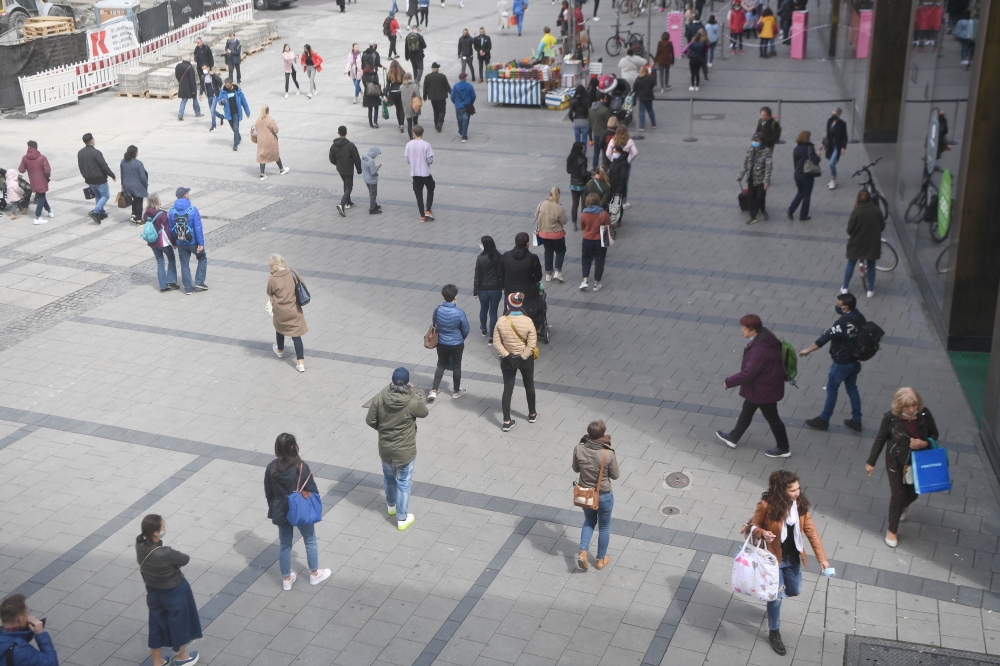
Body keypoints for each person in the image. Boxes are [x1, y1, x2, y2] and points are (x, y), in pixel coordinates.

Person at [746, 471, 829, 656]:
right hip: (773, 559)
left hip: (792, 559)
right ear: (781, 490)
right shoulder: (766, 505)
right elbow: (751, 528)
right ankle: (774, 632)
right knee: (776, 598)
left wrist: (822, 559)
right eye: (792, 490)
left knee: (794, 590)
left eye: (798, 488)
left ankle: (774, 597)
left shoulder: (799, 506)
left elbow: (811, 531)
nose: (797, 493)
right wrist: (762, 533)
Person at [866, 388, 938, 548]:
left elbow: (934, 434)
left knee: (914, 493)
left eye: (914, 405)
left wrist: (924, 443)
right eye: (907, 407)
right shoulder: (890, 418)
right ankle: (892, 530)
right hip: (896, 462)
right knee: (897, 495)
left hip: (917, 462)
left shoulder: (924, 414)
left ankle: (904, 506)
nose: (912, 410)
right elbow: (880, 439)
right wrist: (871, 461)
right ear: (900, 406)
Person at [715, 314, 790, 457]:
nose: (742, 331)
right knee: (747, 410)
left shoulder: (759, 350)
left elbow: (748, 373)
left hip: (764, 389)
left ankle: (784, 448)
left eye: (744, 328)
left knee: (772, 417)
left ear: (752, 330)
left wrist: (728, 382)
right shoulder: (765, 335)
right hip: (762, 386)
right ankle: (733, 437)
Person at [264, 434, 332, 586]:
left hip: (281, 509)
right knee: (310, 539)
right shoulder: (301, 467)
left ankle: (286, 579)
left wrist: (274, 508)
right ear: (293, 447)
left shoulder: (271, 468)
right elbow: (312, 489)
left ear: (277, 448)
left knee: (285, 544)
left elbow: (269, 492)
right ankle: (314, 574)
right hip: (300, 509)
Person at [135, 514, 202, 666]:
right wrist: (173, 565)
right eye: (163, 526)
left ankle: (157, 661)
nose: (165, 527)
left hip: (153, 591)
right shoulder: (166, 552)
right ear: (156, 532)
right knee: (178, 621)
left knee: (156, 623)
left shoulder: (139, 546)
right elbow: (185, 559)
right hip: (173, 591)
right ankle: (182, 657)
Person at [366, 367, 428, 531]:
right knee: (403, 483)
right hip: (405, 451)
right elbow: (424, 412)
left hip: (385, 448)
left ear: (392, 382)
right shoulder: (412, 401)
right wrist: (412, 394)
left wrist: (383, 430)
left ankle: (391, 506)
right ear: (408, 383)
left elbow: (370, 420)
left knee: (388, 478)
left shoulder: (380, 397)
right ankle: (402, 518)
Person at [798, 292, 866, 431]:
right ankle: (856, 420)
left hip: (841, 363)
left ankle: (824, 419)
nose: (837, 307)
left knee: (831, 389)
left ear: (846, 308)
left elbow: (823, 340)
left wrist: (808, 350)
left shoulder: (841, 323)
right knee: (852, 388)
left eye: (839, 305)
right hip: (854, 361)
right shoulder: (859, 317)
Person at [573, 419, 620, 571]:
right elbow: (615, 475)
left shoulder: (579, 448)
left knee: (589, 521)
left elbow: (575, 468)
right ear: (602, 434)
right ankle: (600, 560)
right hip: (604, 494)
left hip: (586, 494)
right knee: (604, 526)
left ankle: (583, 552)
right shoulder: (608, 453)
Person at [494, 292, 537, 431]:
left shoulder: (501, 321)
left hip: (508, 360)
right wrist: (522, 357)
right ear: (520, 304)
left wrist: (507, 356)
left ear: (508, 304)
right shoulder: (528, 321)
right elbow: (532, 344)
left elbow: (496, 342)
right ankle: (532, 414)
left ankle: (506, 421)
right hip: (525, 360)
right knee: (529, 385)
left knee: (508, 388)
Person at [428, 284, 470, 401]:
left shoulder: (437, 309)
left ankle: (434, 390)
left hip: (441, 342)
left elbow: (434, 321)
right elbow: (466, 329)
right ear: (455, 296)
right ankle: (456, 390)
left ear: (443, 296)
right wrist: (460, 338)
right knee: (457, 366)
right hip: (456, 343)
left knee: (441, 364)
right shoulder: (459, 312)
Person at [266, 255, 308, 372]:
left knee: (280, 329)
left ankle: (280, 350)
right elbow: (302, 284)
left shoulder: (272, 279)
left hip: (280, 311)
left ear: (273, 266)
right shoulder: (294, 273)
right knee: (296, 336)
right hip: (294, 310)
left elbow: (269, 292)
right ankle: (300, 363)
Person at [842, 189, 885, 297]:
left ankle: (845, 287)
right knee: (871, 264)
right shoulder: (876, 210)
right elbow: (882, 226)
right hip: (872, 243)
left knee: (851, 263)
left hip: (857, 244)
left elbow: (849, 230)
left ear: (858, 199)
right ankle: (870, 290)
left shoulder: (856, 212)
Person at [0, 594, 58, 666]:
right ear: (20, 618)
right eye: (27, 612)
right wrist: (41, 634)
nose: (29, 616)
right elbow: (52, 663)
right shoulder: (21, 650)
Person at [169, 187, 207, 295]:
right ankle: (199, 281)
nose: (189, 195)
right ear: (185, 195)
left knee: (184, 264)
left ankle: (188, 288)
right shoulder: (193, 209)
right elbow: (198, 228)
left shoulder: (171, 211)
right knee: (202, 258)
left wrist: (174, 242)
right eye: (188, 193)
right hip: (193, 242)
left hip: (181, 242)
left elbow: (171, 228)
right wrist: (200, 244)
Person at [77, 133, 116, 224]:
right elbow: (103, 165)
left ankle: (101, 212)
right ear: (92, 140)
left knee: (98, 195)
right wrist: (112, 175)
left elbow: (80, 166)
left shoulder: (80, 152)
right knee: (105, 195)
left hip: (89, 179)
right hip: (99, 179)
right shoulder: (96, 152)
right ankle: (95, 211)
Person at [144, 193, 179, 293]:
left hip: (152, 241)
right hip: (162, 242)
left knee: (160, 262)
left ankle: (163, 286)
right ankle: (171, 281)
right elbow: (167, 231)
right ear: (157, 201)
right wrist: (173, 243)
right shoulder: (162, 214)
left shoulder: (146, 213)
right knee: (171, 259)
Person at [499, 232, 543, 309]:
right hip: (526, 292)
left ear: (515, 242)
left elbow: (500, 273)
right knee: (524, 314)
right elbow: (538, 276)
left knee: (508, 312)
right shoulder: (532, 258)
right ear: (528, 244)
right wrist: (530, 282)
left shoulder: (506, 255)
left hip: (509, 291)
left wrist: (503, 285)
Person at [736, 132, 772, 224]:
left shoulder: (766, 152)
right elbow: (745, 164)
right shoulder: (750, 150)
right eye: (753, 140)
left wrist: (766, 181)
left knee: (760, 197)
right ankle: (753, 216)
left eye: (757, 140)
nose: (754, 142)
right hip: (751, 179)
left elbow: (768, 167)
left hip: (761, 180)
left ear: (761, 141)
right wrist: (740, 176)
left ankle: (762, 209)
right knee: (751, 198)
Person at [474, 236, 504, 343]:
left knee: (483, 309)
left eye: (481, 243)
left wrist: (475, 291)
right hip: (496, 289)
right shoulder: (499, 257)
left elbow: (477, 277)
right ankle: (492, 337)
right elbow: (502, 273)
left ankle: (483, 329)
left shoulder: (480, 258)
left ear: (485, 245)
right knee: (493, 312)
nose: (480, 244)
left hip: (483, 289)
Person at [536, 187, 569, 282]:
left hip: (543, 234)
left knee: (548, 252)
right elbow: (564, 221)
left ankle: (548, 274)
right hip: (556, 234)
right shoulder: (558, 207)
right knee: (560, 251)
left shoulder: (541, 204)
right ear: (558, 195)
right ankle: (557, 272)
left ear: (549, 194)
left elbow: (536, 215)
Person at [578, 193, 610, 291]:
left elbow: (582, 226)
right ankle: (596, 284)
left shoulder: (584, 214)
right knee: (599, 261)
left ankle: (585, 281)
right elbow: (609, 225)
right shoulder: (603, 214)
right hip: (600, 240)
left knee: (586, 259)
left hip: (587, 239)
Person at [329, 125, 362, 216]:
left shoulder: (333, 145)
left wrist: (337, 164)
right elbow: (357, 158)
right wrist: (359, 170)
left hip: (340, 168)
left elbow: (331, 158)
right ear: (346, 133)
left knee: (345, 183)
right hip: (348, 169)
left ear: (338, 133)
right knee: (349, 187)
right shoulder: (350, 145)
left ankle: (348, 202)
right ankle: (342, 204)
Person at [405, 125, 435, 221]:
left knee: (418, 194)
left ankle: (422, 216)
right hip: (425, 172)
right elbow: (430, 160)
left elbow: (408, 160)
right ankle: (428, 210)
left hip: (415, 173)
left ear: (414, 133)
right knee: (431, 188)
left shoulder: (409, 144)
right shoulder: (426, 145)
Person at [19, 140, 53, 225]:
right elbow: (47, 170)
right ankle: (37, 217)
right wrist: (47, 177)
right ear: (36, 147)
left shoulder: (25, 158)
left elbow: (21, 170)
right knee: (41, 197)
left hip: (33, 181)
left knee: (41, 195)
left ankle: (49, 211)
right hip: (42, 180)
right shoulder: (42, 157)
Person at [787, 130, 819, 221]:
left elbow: (795, 163)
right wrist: (818, 155)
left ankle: (791, 209)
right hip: (807, 175)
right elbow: (815, 160)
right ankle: (803, 215)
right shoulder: (810, 148)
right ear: (807, 138)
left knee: (800, 192)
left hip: (797, 174)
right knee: (807, 195)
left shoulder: (796, 149)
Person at [252, 105, 290, 181]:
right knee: (275, 154)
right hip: (270, 141)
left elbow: (256, 130)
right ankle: (282, 170)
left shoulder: (258, 120)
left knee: (262, 157)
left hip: (261, 142)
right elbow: (276, 130)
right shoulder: (270, 120)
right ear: (268, 111)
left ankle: (262, 175)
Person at [215, 79, 250, 151]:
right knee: (233, 128)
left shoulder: (238, 91)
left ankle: (235, 144)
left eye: (228, 85)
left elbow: (244, 102)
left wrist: (247, 112)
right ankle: (239, 137)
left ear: (231, 84)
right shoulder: (223, 92)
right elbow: (219, 100)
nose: (227, 86)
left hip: (236, 112)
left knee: (235, 128)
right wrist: (222, 101)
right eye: (226, 85)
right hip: (228, 113)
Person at [120, 145, 149, 224]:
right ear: (136, 153)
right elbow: (142, 177)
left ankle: (133, 215)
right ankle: (139, 219)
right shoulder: (138, 163)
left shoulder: (123, 162)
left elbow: (122, 174)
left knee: (134, 200)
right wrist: (145, 184)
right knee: (139, 202)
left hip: (127, 185)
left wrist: (122, 183)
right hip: (137, 186)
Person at [566, 141, 590, 229]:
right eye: (583, 147)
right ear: (580, 149)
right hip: (582, 185)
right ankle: (583, 223)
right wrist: (589, 173)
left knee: (575, 203)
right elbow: (584, 174)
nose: (584, 149)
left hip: (573, 184)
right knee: (584, 204)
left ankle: (574, 223)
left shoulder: (570, 158)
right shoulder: (583, 159)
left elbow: (568, 171)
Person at [423, 62, 451, 132]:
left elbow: (425, 87)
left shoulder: (427, 77)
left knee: (435, 111)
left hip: (432, 97)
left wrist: (424, 96)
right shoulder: (442, 76)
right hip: (441, 97)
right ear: (437, 69)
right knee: (442, 111)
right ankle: (440, 122)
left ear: (432, 69)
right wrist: (451, 93)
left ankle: (436, 124)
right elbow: (447, 86)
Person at [824, 107, 848, 190]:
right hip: (830, 146)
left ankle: (833, 180)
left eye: (835, 114)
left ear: (839, 115)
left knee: (831, 163)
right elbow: (827, 134)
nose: (833, 116)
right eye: (833, 114)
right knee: (832, 163)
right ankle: (834, 179)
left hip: (837, 147)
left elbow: (845, 137)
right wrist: (822, 143)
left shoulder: (842, 124)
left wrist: (843, 147)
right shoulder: (829, 121)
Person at [588, 94, 612, 170]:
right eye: (605, 99)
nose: (606, 100)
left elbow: (590, 123)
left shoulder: (591, 109)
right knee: (605, 153)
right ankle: (604, 169)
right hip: (604, 135)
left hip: (595, 134)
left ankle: (595, 168)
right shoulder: (605, 110)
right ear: (601, 99)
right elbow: (609, 123)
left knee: (596, 153)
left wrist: (590, 137)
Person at [450, 72, 476, 142]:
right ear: (464, 78)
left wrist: (456, 103)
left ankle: (461, 132)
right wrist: (471, 102)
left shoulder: (455, 86)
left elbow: (452, 97)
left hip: (458, 106)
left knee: (459, 120)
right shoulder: (469, 86)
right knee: (466, 120)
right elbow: (473, 96)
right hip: (467, 106)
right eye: (466, 77)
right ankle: (464, 137)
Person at [175, 54, 200, 121]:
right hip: (190, 87)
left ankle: (180, 114)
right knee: (194, 99)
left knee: (184, 100)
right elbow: (192, 80)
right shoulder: (190, 67)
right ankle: (197, 113)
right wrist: (194, 89)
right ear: (189, 60)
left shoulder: (178, 66)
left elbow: (177, 76)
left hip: (182, 86)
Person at [633, 66, 656, 131]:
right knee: (650, 110)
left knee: (641, 111)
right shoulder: (650, 78)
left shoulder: (638, 79)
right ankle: (653, 124)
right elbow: (652, 85)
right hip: (649, 96)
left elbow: (634, 88)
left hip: (641, 97)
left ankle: (642, 126)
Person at [362, 146, 383, 214]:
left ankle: (374, 204)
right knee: (373, 194)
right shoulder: (371, 161)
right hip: (372, 180)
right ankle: (372, 208)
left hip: (366, 178)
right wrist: (378, 167)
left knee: (371, 193)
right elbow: (373, 173)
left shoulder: (364, 156)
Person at [385, 60, 405, 131]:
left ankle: (399, 124)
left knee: (397, 108)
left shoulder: (389, 73)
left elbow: (388, 85)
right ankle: (402, 124)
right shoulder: (402, 72)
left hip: (393, 92)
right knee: (401, 108)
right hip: (401, 91)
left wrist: (384, 94)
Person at [202, 65, 223, 131]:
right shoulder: (203, 76)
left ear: (208, 68)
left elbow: (220, 81)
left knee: (212, 110)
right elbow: (202, 86)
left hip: (215, 95)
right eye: (203, 69)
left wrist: (213, 74)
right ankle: (222, 117)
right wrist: (200, 94)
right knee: (212, 110)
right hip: (209, 96)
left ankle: (214, 125)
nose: (204, 70)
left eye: (205, 68)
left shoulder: (213, 75)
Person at [401, 72, 421, 139]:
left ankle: (410, 138)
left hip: (406, 107)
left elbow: (401, 97)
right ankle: (416, 136)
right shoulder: (415, 86)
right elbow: (419, 96)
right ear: (411, 78)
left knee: (409, 123)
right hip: (415, 106)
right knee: (415, 122)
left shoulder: (401, 87)